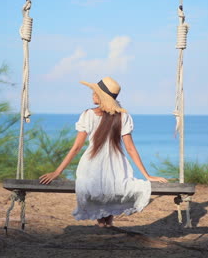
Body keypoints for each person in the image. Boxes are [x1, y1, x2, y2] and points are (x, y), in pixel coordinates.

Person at [39, 77, 168, 227]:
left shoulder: (88, 115)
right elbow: (130, 148)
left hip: (92, 164)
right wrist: (147, 175)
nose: (92, 94)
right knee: (113, 187)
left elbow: (76, 148)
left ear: (102, 97)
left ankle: (103, 225)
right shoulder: (123, 116)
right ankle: (107, 224)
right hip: (117, 166)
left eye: (95, 92)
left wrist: (57, 172)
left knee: (98, 188)